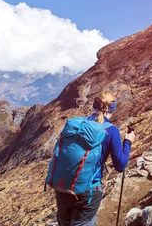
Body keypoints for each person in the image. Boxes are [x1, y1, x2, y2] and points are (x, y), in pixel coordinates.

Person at [54, 90, 134, 226]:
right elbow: (120, 165)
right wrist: (128, 142)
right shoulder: (110, 130)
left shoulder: (78, 124)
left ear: (94, 106)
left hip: (63, 186)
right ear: (112, 109)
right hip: (88, 190)